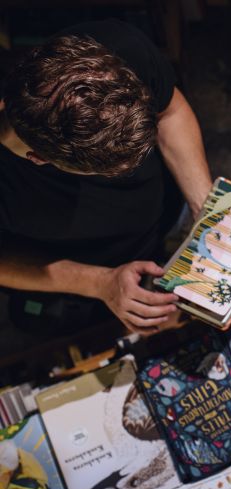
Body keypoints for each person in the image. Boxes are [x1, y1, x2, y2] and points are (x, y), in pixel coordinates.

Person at [0, 19, 213, 334]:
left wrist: (205, 206)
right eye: (110, 172)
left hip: (160, 220)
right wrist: (101, 283)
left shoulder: (116, 49)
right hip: (83, 269)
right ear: (39, 159)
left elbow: (171, 111)